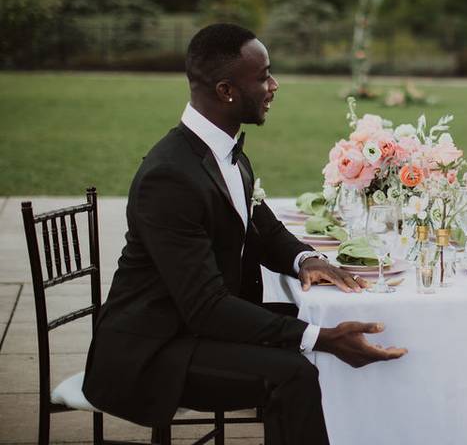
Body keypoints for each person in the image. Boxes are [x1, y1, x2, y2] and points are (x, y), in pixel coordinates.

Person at [82, 23, 406, 444]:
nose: (274, 86)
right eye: (264, 76)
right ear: (226, 91)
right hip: (155, 349)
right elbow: (206, 307)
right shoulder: (169, 177)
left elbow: (261, 227)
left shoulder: (222, 150)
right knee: (293, 372)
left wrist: (307, 259)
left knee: (328, 327)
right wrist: (317, 339)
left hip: (195, 326)